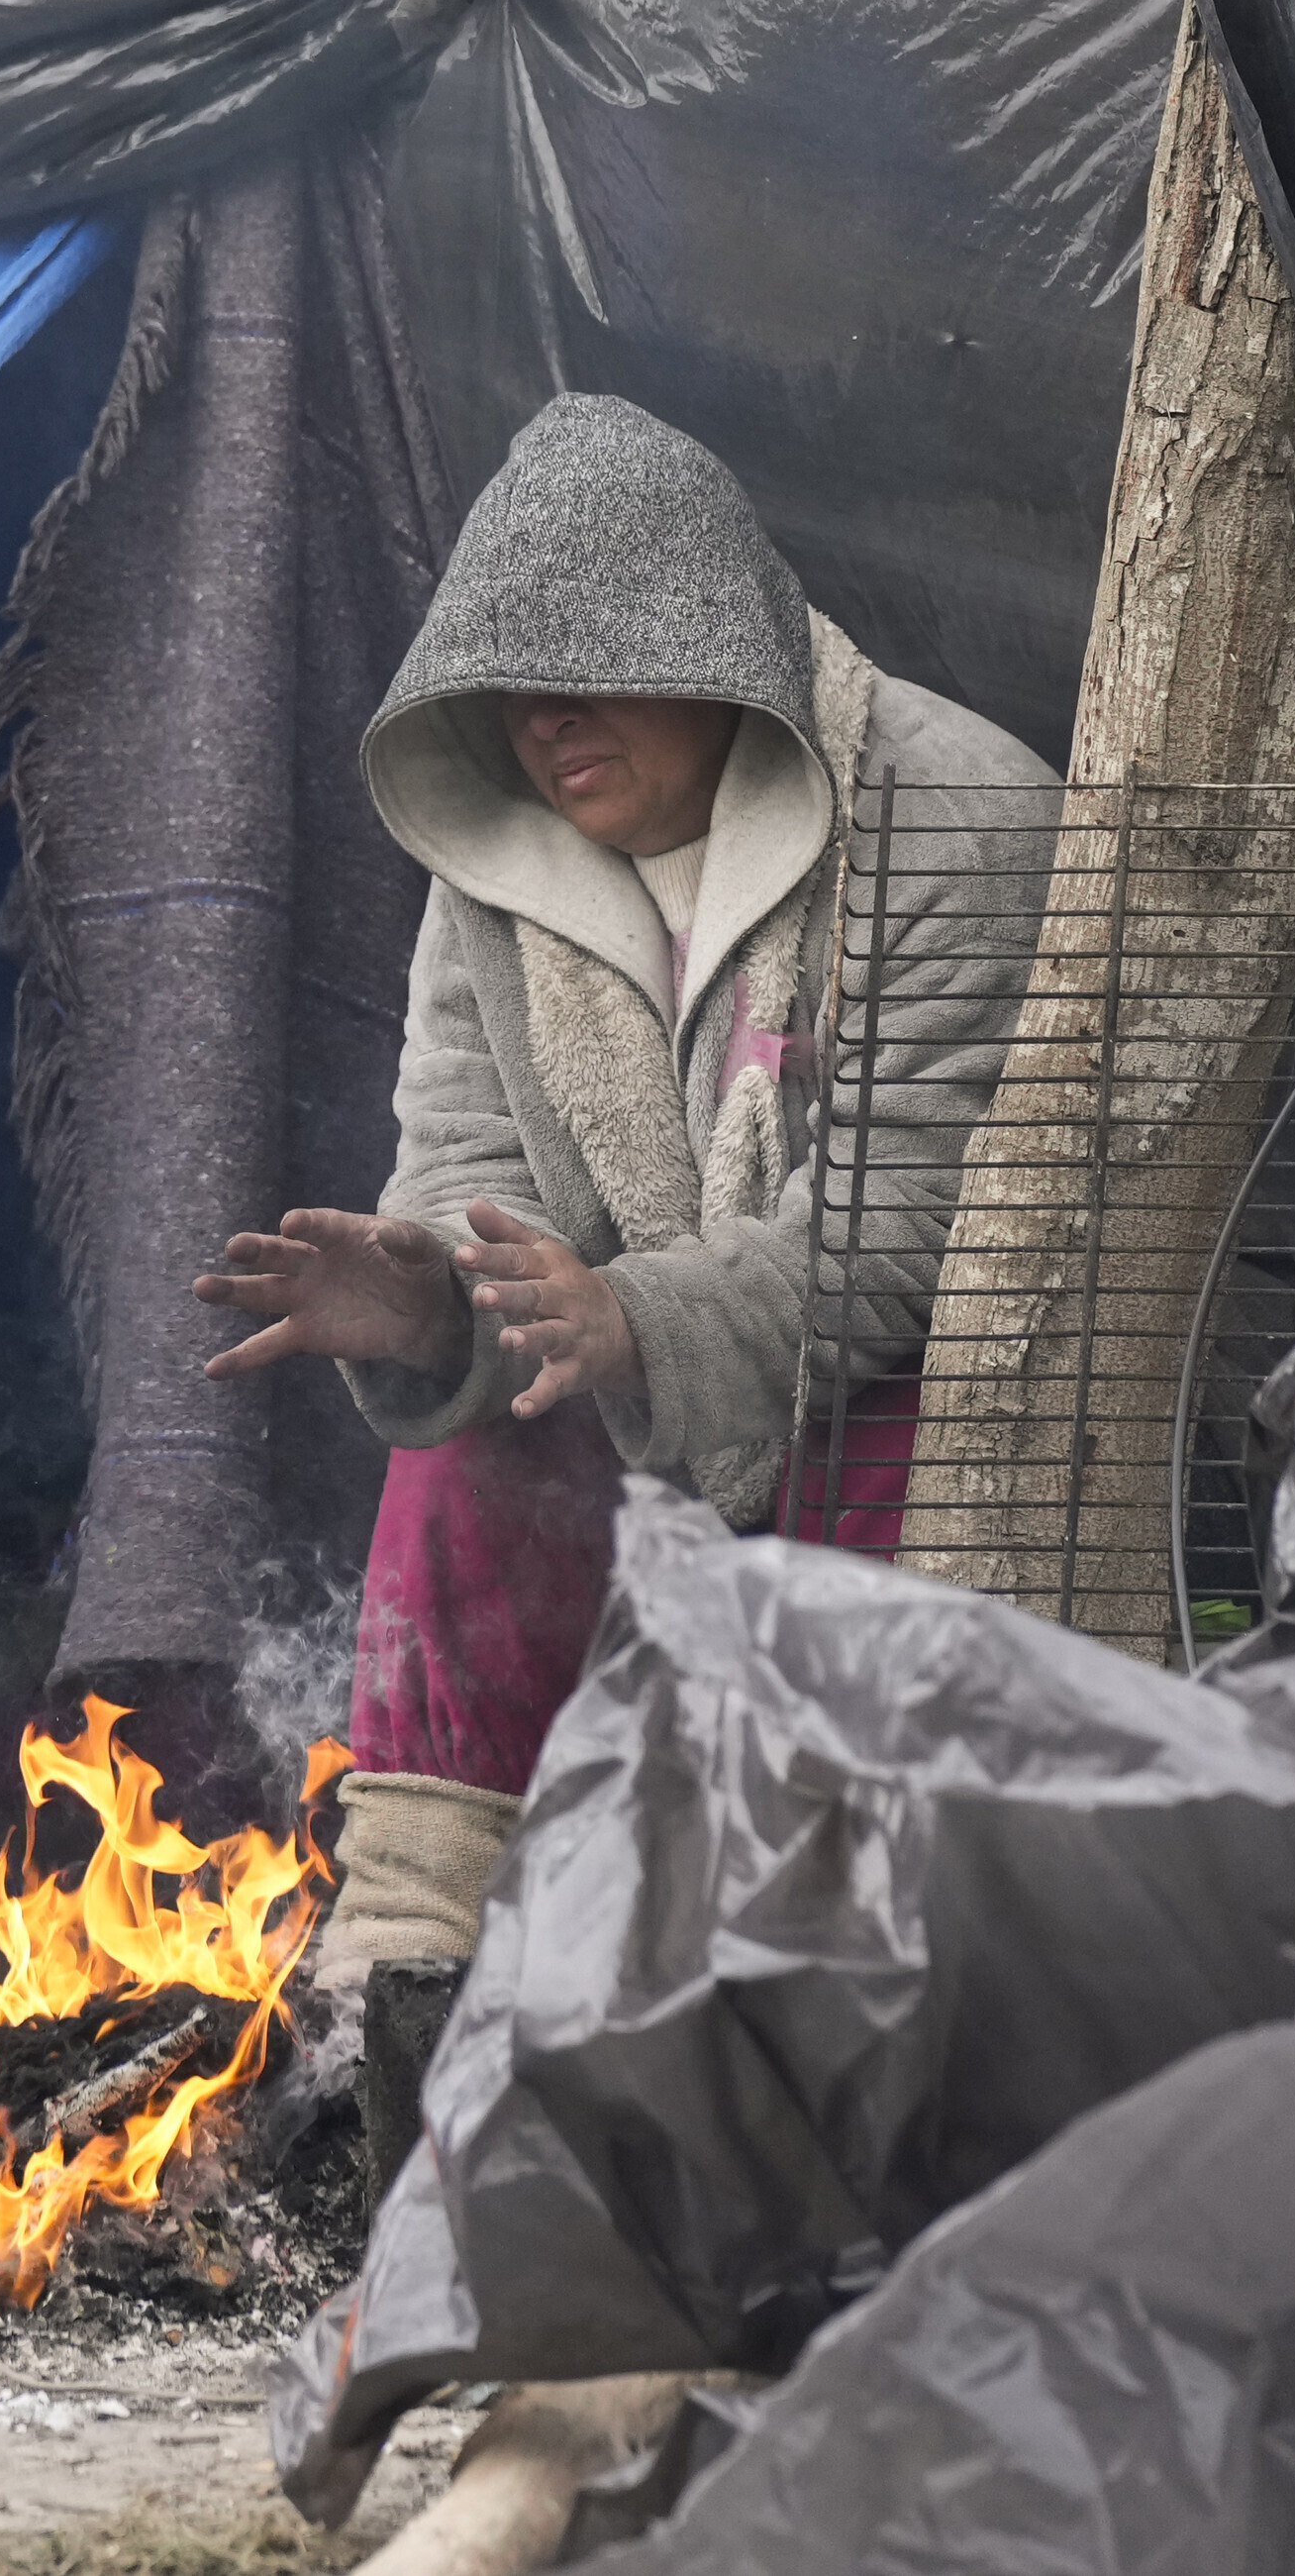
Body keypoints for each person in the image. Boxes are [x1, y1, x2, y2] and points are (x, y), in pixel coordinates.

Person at [196, 394, 1060, 1976]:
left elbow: (932, 1220)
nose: (542, 724)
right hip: (650, 1381)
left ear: (714, 649)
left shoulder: (951, 809)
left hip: (915, 1393)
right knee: (468, 1433)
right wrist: (429, 1303)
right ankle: (410, 1940)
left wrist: (635, 1319)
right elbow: (465, 1169)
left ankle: (822, 1944)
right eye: (509, 690)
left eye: (588, 672)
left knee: (909, 1450)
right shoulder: (494, 875)